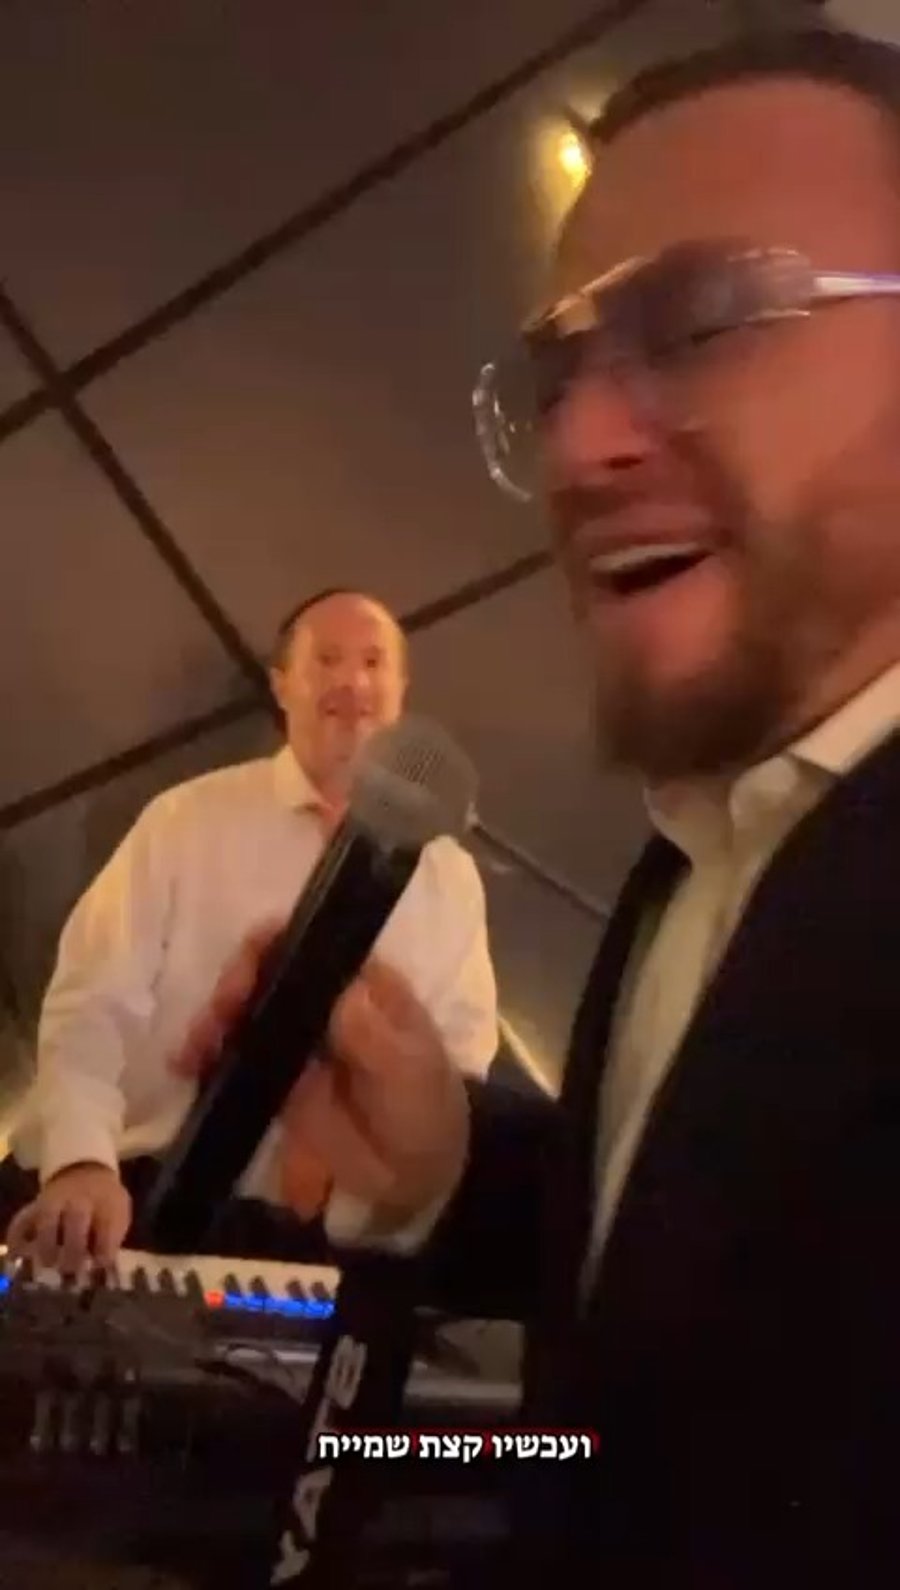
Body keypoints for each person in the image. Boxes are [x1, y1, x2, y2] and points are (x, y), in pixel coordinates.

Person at [174, 27, 900, 1590]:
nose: (580, 444)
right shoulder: (696, 856)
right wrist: (456, 1163)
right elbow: (701, 1274)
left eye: (707, 317)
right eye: (560, 371)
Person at [3, 589, 497, 1272]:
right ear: (281, 685)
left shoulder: (449, 876)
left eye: (373, 662)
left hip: (334, 1244)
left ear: (401, 691)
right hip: (135, 1202)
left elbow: (463, 1069)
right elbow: (92, 1006)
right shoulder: (186, 821)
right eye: (328, 659)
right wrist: (80, 1163)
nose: (353, 684)